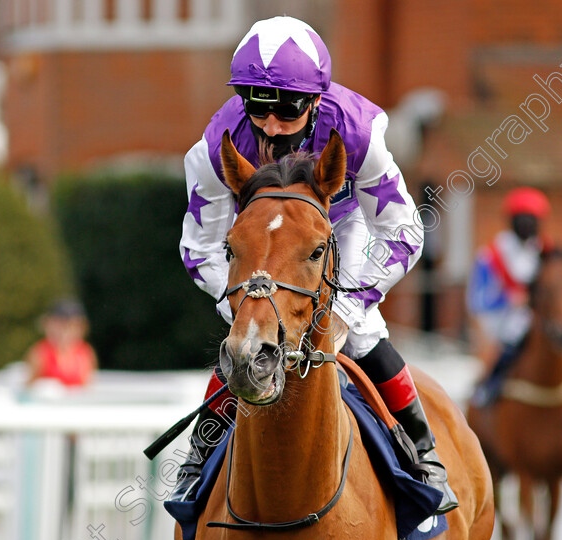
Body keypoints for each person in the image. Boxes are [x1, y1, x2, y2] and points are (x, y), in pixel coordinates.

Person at [176, 16, 456, 513]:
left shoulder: (358, 132)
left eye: (286, 109)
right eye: (257, 108)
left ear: (315, 100)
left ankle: (424, 455)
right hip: (262, 250)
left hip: (343, 229)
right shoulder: (213, 150)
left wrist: (348, 305)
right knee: (245, 341)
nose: (271, 126)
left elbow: (404, 231)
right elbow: (199, 249)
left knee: (366, 331)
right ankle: (198, 460)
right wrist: (248, 304)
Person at [466, 187, 551, 407]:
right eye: (521, 218)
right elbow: (476, 300)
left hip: (544, 326)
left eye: (531, 219)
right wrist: (507, 300)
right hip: (507, 328)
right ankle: (486, 394)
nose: (526, 224)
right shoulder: (491, 256)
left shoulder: (546, 254)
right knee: (499, 364)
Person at [26, 298, 98, 387]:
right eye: (60, 325)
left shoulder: (85, 353)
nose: (65, 331)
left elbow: (87, 386)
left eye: (71, 326)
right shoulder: (40, 353)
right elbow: (30, 387)